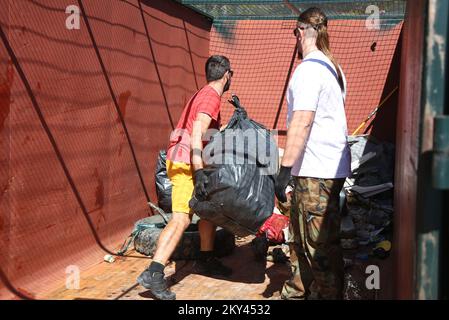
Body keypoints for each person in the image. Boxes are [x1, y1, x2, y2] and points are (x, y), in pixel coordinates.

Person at [137, 55, 234, 300]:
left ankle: (206, 258)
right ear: (226, 75)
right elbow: (197, 132)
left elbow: (204, 131)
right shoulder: (212, 96)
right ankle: (154, 272)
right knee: (181, 218)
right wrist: (199, 169)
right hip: (185, 163)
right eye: (230, 74)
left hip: (187, 159)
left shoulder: (202, 94)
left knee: (208, 211)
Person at [274, 7, 351, 300]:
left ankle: (328, 294)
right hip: (324, 170)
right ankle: (296, 292)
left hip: (316, 172)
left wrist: (283, 172)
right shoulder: (334, 68)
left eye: (295, 33)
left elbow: (302, 121)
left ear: (301, 32)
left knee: (317, 246)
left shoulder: (308, 70)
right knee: (301, 238)